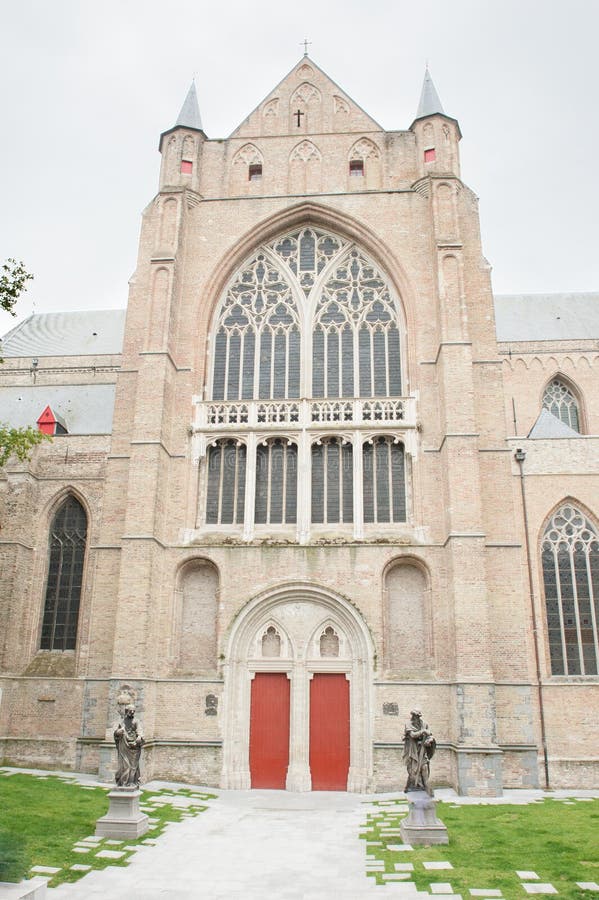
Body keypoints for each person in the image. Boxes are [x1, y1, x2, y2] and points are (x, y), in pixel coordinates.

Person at [402, 708, 436, 795]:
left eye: (416, 716)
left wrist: (429, 740)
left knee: (424, 768)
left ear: (418, 716)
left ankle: (428, 789)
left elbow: (430, 735)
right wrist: (423, 731)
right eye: (413, 715)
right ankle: (407, 787)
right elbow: (413, 735)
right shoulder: (408, 724)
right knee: (412, 772)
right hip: (412, 751)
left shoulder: (424, 724)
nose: (413, 717)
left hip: (422, 751)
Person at [114, 702, 144, 787]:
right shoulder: (122, 721)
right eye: (131, 711)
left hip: (134, 747)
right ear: (126, 711)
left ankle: (131, 782)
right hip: (124, 746)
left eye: (134, 711)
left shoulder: (136, 721)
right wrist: (117, 732)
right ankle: (123, 783)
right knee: (124, 766)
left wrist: (139, 737)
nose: (132, 713)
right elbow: (116, 733)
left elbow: (140, 731)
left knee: (133, 766)